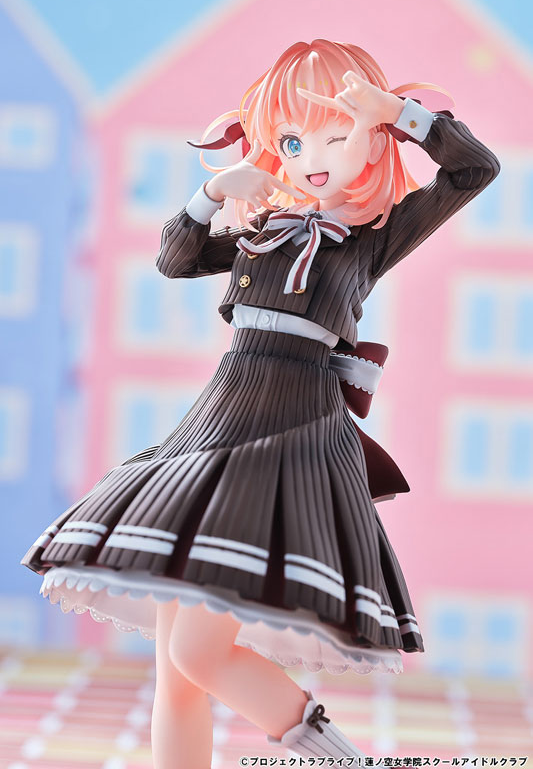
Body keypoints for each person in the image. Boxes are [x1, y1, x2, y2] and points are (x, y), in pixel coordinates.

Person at [20, 39, 500, 767]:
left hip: (290, 425)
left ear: (372, 138)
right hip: (218, 419)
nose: (313, 158)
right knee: (177, 672)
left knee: (196, 652)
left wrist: (399, 113)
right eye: (294, 141)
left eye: (337, 136)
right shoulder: (262, 228)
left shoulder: (373, 237)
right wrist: (214, 193)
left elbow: (474, 170)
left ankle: (339, 756)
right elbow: (175, 258)